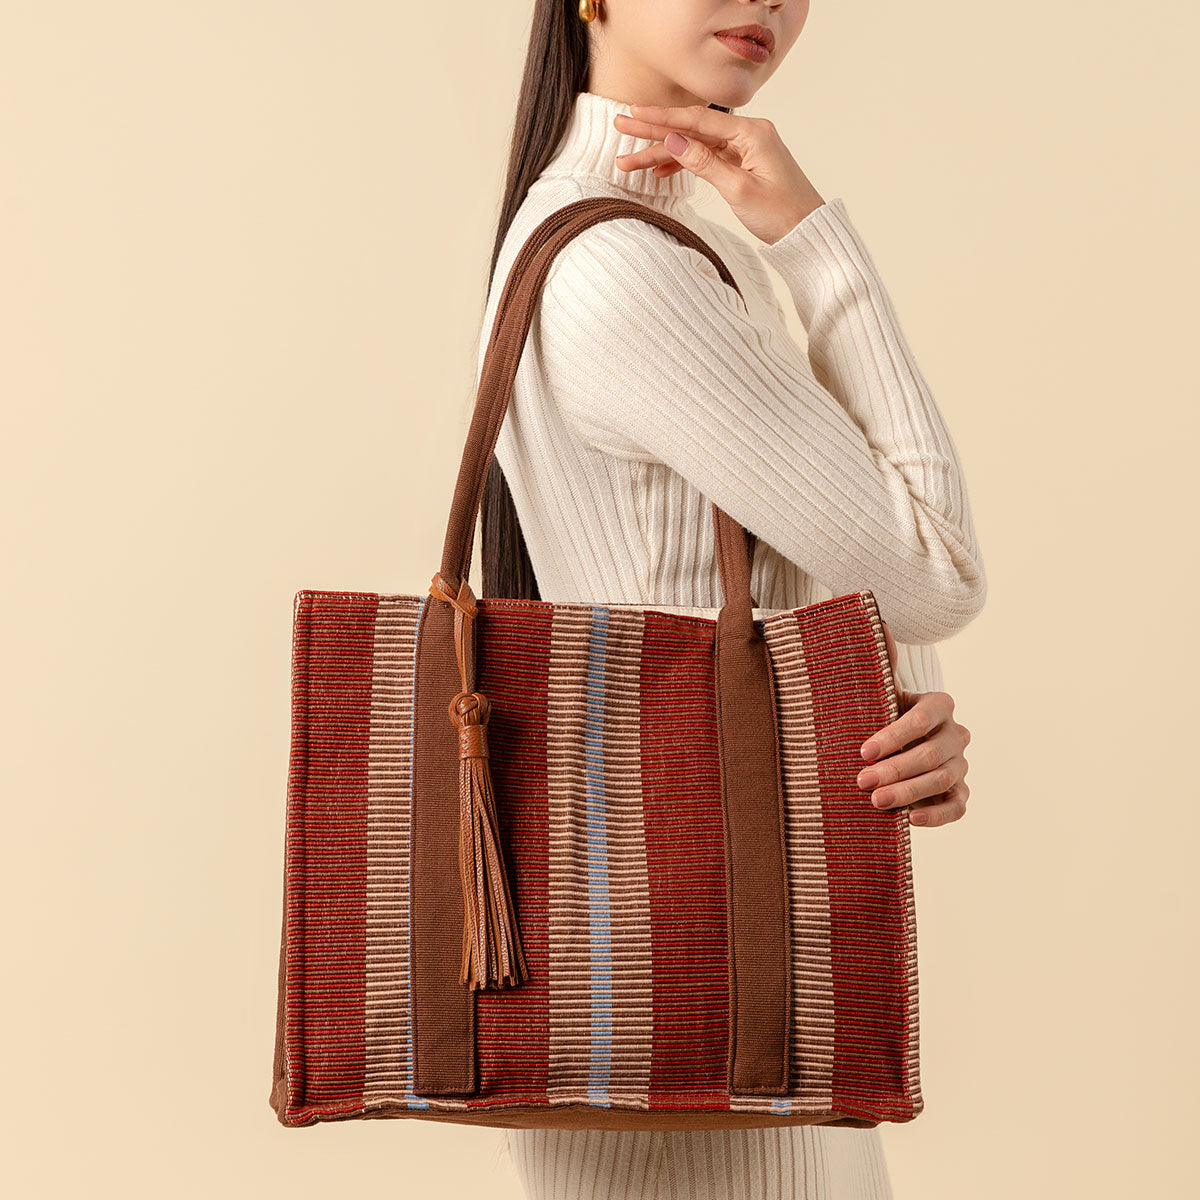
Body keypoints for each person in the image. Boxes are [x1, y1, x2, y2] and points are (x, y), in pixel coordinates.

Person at [475, 2, 985, 1196]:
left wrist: (900, 708)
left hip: (734, 974)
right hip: (694, 998)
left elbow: (757, 587)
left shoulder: (649, 238)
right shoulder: (624, 267)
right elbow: (935, 570)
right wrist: (820, 241)